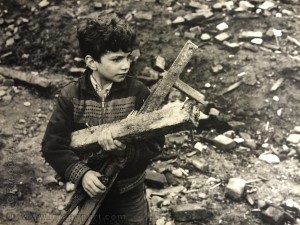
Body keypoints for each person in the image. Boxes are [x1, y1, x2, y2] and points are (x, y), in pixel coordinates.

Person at [41, 13, 165, 225]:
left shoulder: (138, 93)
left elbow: (155, 145)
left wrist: (124, 151)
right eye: (116, 59)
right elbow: (53, 146)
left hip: (129, 189)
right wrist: (81, 174)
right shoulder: (71, 96)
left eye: (128, 57)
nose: (125, 65)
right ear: (92, 62)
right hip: (91, 187)